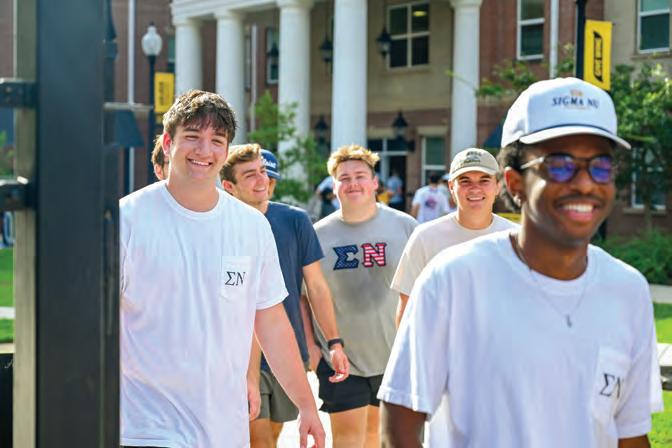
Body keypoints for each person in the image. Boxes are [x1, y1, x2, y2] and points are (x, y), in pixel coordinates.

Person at [379, 77, 664, 447]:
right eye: (560, 165)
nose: (585, 184)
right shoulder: (452, 279)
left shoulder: (628, 291)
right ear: (514, 183)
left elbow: (631, 433)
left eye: (601, 166)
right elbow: (399, 425)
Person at [120, 90, 324, 448]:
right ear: (167, 143)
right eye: (192, 137)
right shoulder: (128, 219)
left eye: (217, 140)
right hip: (144, 428)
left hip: (223, 429)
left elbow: (272, 323)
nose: (204, 150)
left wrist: (307, 404)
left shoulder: (251, 226)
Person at [220, 143, 350, 448]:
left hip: (284, 349)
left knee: (273, 437)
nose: (262, 181)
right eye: (250, 175)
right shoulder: (220, 225)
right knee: (257, 440)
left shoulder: (295, 220)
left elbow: (315, 287)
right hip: (236, 353)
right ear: (229, 186)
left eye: (264, 173)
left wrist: (332, 342)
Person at [391, 147, 518, 446]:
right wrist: (414, 374)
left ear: (498, 185)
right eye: (465, 181)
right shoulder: (426, 237)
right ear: (451, 187)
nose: (475, 188)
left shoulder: (518, 239)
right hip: (445, 375)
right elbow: (406, 311)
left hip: (505, 374)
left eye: (484, 180)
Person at [312, 145, 417, 447]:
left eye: (360, 176)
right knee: (347, 440)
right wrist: (313, 350)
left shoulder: (406, 227)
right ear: (334, 186)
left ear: (375, 183)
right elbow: (308, 297)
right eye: (344, 178)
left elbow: (424, 289)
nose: (353, 183)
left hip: (394, 356)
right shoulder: (318, 235)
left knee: (377, 438)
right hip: (341, 357)